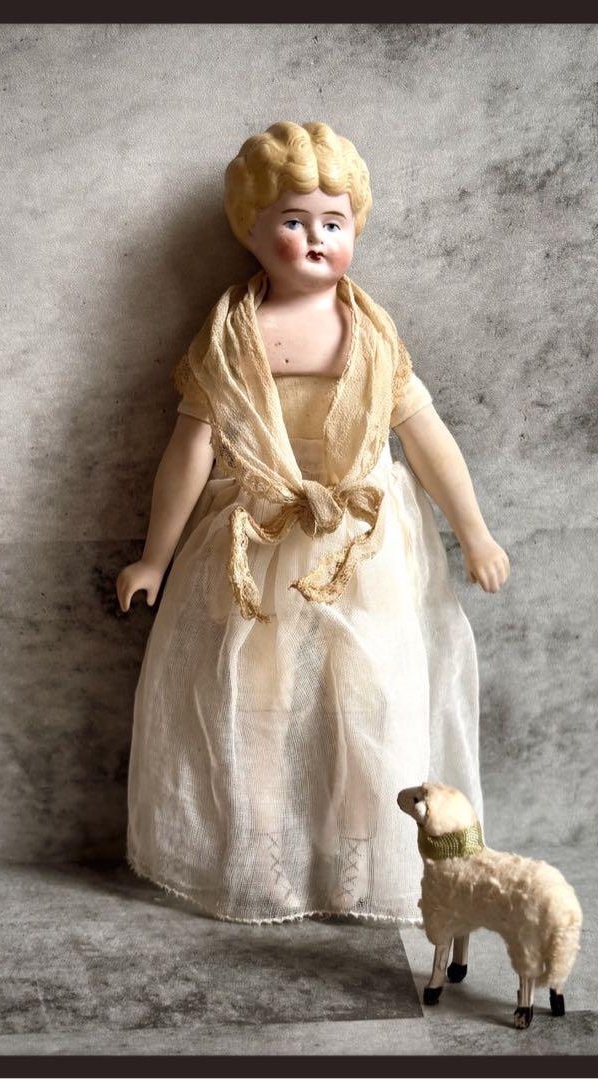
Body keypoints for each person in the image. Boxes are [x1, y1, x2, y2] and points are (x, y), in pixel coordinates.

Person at [117, 121, 509, 924]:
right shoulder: (232, 335)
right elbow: (190, 450)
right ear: (251, 233)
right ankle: (262, 847)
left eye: (334, 221)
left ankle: (363, 849)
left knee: (371, 697)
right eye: (293, 222)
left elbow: (426, 437)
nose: (316, 238)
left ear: (356, 228)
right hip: (257, 535)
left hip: (362, 544)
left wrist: (474, 530)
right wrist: (155, 556)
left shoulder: (370, 333)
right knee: (257, 701)